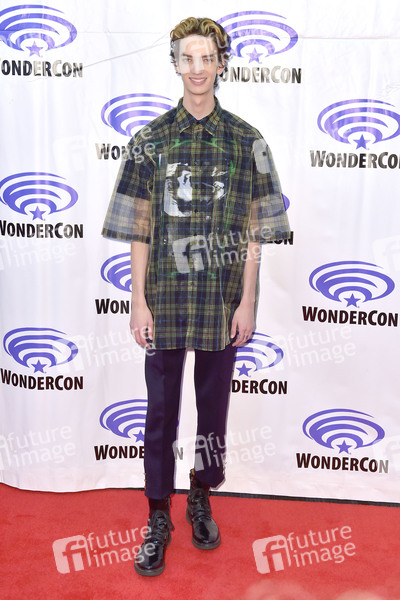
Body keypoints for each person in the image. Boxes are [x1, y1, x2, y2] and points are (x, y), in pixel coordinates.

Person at [101, 16, 290, 577]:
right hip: (164, 297)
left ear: (221, 63)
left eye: (207, 57)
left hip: (220, 300)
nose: (198, 68)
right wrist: (137, 301)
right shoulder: (149, 141)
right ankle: (158, 512)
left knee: (213, 408)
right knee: (160, 410)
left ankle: (201, 494)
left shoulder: (248, 141)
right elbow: (138, 229)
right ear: (176, 64)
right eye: (188, 58)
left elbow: (256, 231)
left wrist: (248, 301)